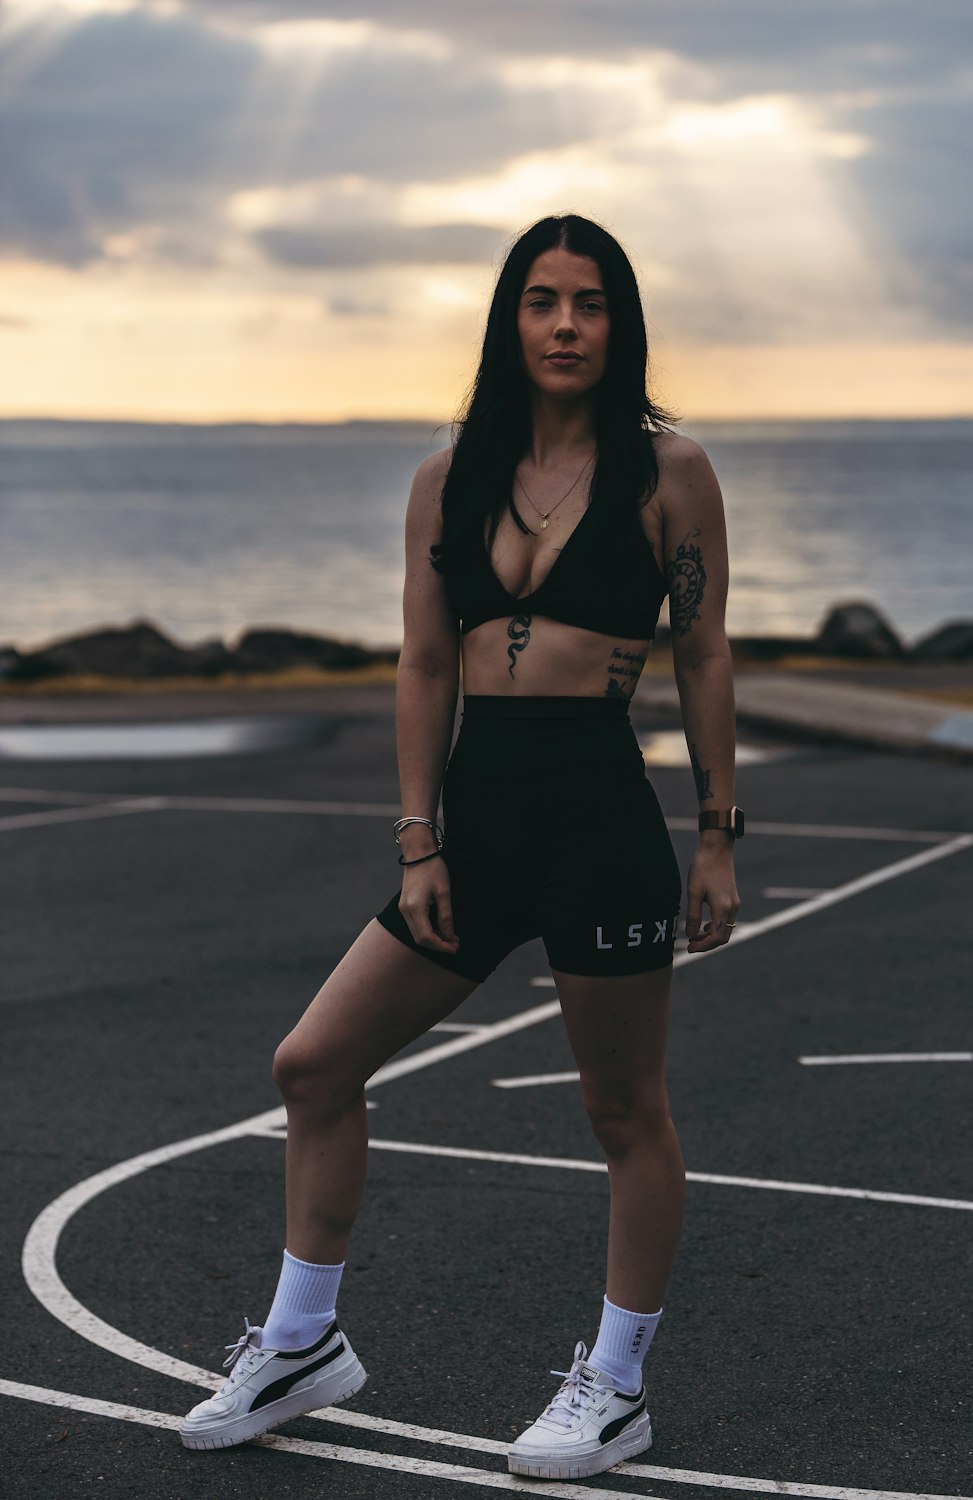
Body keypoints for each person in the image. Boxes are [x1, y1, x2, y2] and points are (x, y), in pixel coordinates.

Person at [179, 213, 741, 1480]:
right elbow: (426, 659)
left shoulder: (671, 472)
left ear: (619, 323)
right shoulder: (450, 477)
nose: (562, 325)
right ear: (508, 320)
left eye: (587, 304)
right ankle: (303, 1341)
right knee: (314, 1064)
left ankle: (614, 1384)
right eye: (540, 301)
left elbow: (702, 651)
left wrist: (716, 835)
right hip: (475, 822)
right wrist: (416, 838)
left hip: (601, 816)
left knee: (621, 1110)